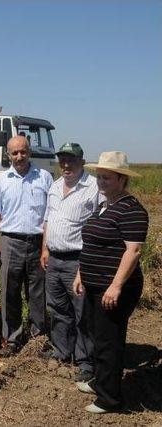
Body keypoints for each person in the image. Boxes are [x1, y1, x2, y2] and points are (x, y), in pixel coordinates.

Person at [73, 151, 148, 414]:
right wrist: (81, 273)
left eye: (107, 178)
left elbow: (133, 251)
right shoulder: (105, 205)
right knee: (96, 335)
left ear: (121, 180)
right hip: (95, 284)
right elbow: (92, 243)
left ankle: (109, 399)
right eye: (99, 177)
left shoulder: (131, 209)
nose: (100, 182)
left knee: (109, 340)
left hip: (115, 288)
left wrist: (115, 286)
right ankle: (100, 382)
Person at [0, 135, 53, 356]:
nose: (19, 156)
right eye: (14, 153)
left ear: (29, 152)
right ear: (8, 155)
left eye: (23, 151)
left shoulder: (44, 178)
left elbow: (49, 216)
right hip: (10, 242)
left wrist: (46, 247)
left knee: (37, 294)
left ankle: (37, 340)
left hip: (37, 243)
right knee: (9, 293)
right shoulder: (1, 180)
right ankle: (12, 340)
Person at [40, 143, 102, 382]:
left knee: (82, 313)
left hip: (78, 260)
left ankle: (86, 362)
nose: (66, 165)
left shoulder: (94, 187)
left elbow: (101, 221)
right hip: (54, 259)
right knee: (57, 309)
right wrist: (45, 248)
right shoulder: (55, 186)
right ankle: (62, 352)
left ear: (82, 162)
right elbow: (48, 220)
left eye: (71, 160)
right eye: (62, 160)